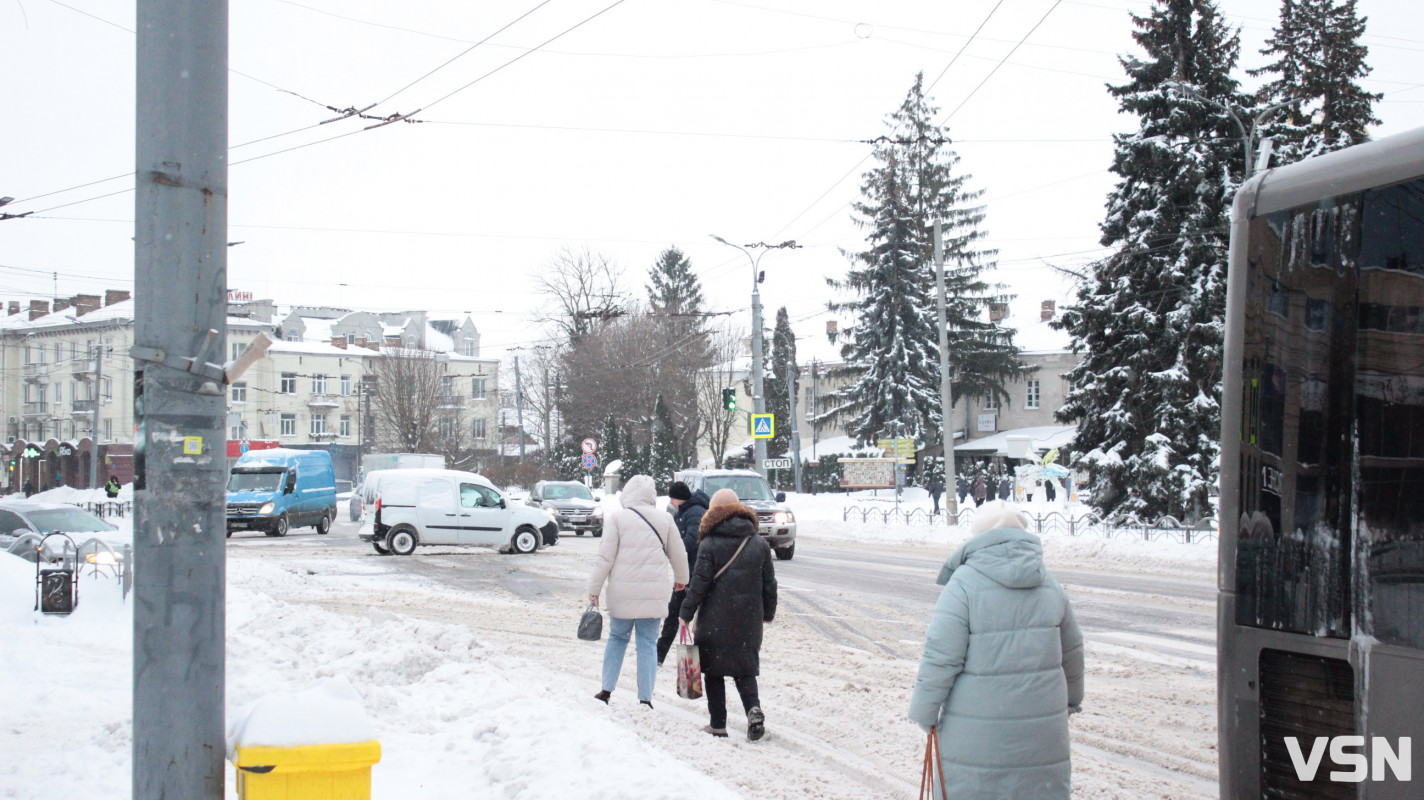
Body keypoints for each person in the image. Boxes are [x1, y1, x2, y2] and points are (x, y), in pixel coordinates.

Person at [909, 501, 1084, 799]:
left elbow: (940, 656)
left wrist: (924, 711)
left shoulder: (962, 585)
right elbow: (1073, 652)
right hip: (1042, 734)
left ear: (978, 536)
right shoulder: (1049, 585)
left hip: (978, 734)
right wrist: (1071, 700)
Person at [679, 488, 777, 741]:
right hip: (749, 620)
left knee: (713, 672)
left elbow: (699, 583)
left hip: (715, 620)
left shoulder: (709, 543)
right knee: (745, 670)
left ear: (713, 513)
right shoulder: (758, 543)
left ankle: (718, 725)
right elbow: (769, 584)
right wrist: (767, 614)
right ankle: (753, 710)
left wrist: (685, 613)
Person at [587, 474, 688, 708]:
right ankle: (645, 698)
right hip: (654, 594)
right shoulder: (665, 520)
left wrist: (594, 589)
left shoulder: (618, 519)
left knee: (617, 638)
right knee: (647, 643)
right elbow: (679, 553)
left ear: (628, 495)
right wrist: (682, 579)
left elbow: (605, 557)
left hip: (622, 593)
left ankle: (605, 690)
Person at [657, 480, 709, 665]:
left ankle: (660, 655)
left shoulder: (695, 512)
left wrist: (673, 550)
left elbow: (691, 540)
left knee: (676, 615)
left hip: (692, 573)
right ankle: (659, 655)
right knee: (677, 615)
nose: (671, 502)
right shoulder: (687, 511)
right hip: (688, 571)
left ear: (679, 498)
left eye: (672, 498)